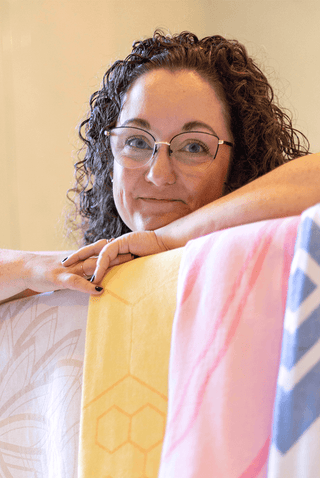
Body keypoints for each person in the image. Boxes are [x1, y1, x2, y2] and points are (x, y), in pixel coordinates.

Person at [1, 30, 319, 304]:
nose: (159, 174)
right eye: (137, 142)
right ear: (109, 160)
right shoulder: (75, 285)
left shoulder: (283, 274)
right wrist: (34, 266)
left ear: (237, 168)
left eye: (193, 146)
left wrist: (164, 241)